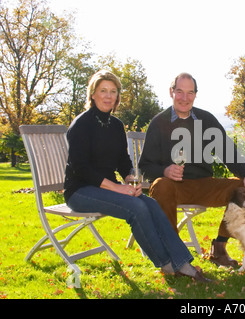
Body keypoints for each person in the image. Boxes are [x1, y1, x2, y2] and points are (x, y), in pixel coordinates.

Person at [63, 70, 211, 282]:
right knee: (136, 207)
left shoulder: (115, 125)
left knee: (150, 204)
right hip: (80, 191)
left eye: (113, 91)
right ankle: (168, 264)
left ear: (117, 96)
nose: (108, 96)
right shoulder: (81, 124)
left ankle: (183, 262)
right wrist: (116, 188)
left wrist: (130, 179)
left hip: (103, 188)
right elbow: (81, 169)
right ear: (93, 94)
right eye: (103, 90)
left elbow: (123, 161)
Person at [139, 72, 245, 268]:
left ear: (195, 94)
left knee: (243, 191)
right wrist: (165, 170)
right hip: (172, 187)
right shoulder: (158, 123)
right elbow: (145, 167)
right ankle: (174, 255)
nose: (184, 98)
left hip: (204, 185)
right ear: (171, 92)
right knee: (161, 186)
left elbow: (227, 151)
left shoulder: (206, 120)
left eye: (190, 92)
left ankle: (219, 248)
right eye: (179, 92)